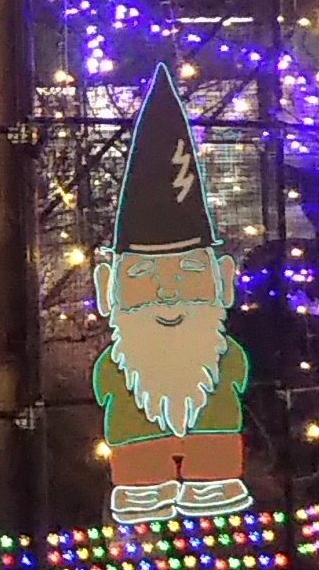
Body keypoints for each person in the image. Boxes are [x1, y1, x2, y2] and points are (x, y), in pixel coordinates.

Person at [90, 66, 252, 525]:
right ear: (108, 288)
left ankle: (214, 478)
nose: (167, 292)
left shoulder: (224, 356)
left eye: (190, 271)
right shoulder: (117, 366)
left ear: (223, 279)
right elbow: (105, 386)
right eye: (143, 274)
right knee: (138, 455)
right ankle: (142, 485)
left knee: (214, 449)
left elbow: (237, 375)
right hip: (134, 450)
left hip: (217, 439)